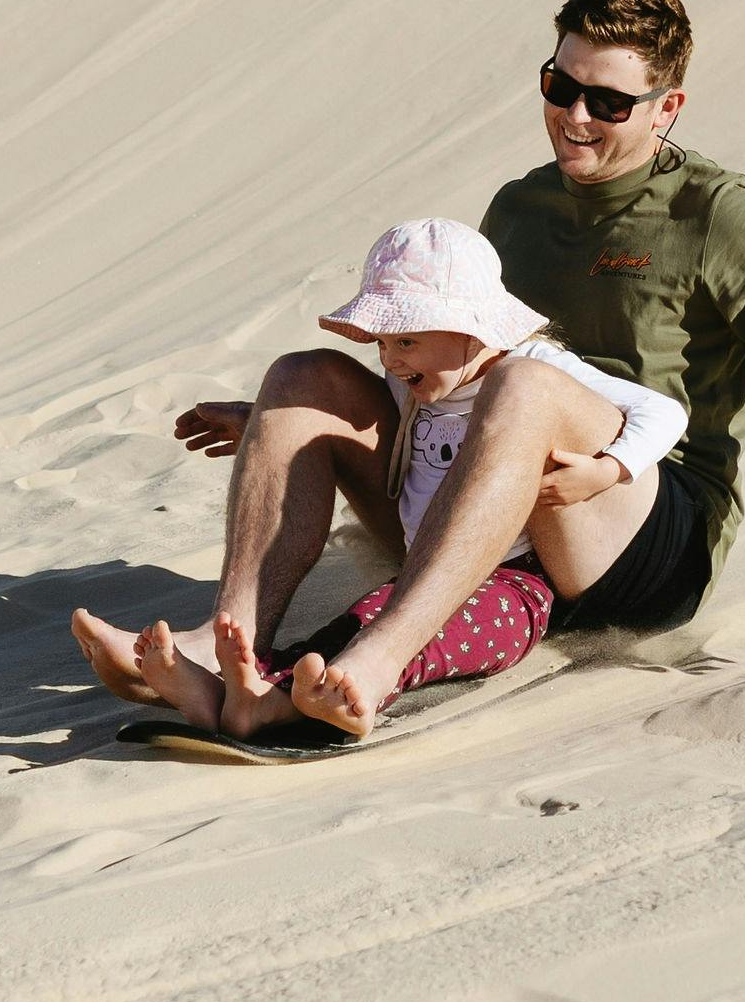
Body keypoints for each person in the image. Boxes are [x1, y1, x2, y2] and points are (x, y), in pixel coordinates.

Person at [75, 0, 745, 738]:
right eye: (562, 86)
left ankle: (375, 664)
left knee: (529, 381)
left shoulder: (716, 217)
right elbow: (446, 362)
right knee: (304, 377)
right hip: (488, 500)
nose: (575, 115)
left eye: (609, 102)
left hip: (640, 530)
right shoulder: (520, 209)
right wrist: (291, 428)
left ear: (667, 109)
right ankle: (223, 648)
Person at [117, 217, 684, 738]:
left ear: (472, 330)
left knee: (401, 629)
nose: (389, 359)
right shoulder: (418, 379)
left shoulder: (538, 367)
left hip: (521, 582)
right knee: (368, 614)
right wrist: (269, 420)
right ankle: (238, 685)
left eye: (406, 340)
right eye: (383, 341)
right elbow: (359, 421)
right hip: (429, 564)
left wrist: (608, 468)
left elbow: (663, 412)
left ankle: (297, 695)